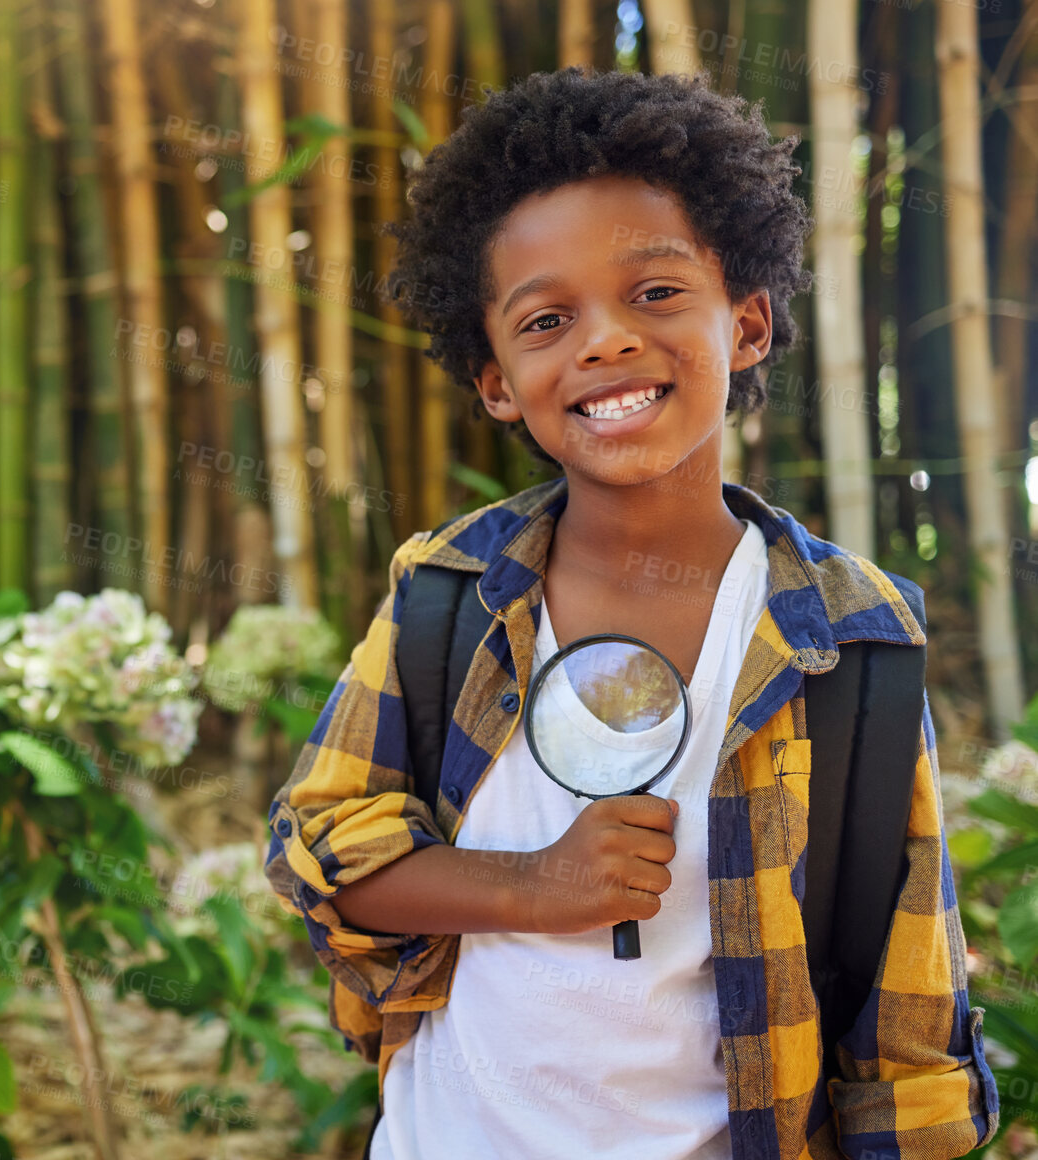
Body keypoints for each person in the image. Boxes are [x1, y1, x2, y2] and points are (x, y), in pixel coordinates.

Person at [262, 67, 997, 1159]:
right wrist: (536, 883)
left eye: (654, 293)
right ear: (497, 378)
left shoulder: (849, 642)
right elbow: (319, 848)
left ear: (745, 324)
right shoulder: (449, 594)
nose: (603, 341)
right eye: (548, 318)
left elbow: (906, 1020)